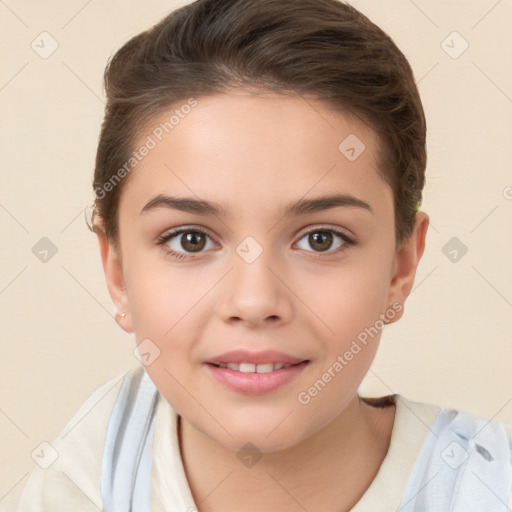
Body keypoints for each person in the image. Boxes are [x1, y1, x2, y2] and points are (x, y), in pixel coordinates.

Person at [14, 0, 512, 510]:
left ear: (400, 267)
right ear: (117, 272)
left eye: (322, 239)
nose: (254, 302)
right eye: (191, 239)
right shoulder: (72, 484)